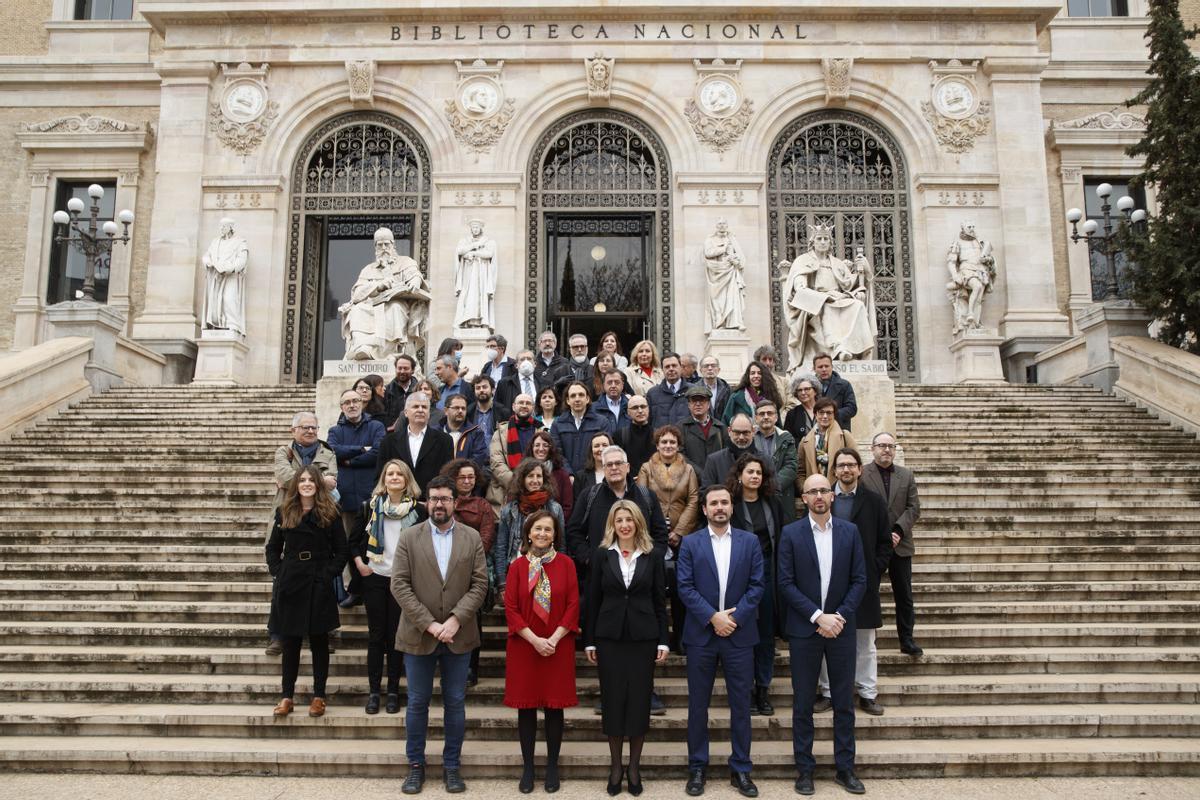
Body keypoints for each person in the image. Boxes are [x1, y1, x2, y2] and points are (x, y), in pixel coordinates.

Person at [390, 476, 489, 795]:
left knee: (455, 703)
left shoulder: (471, 537)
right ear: (426, 502)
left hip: (459, 636)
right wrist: (430, 624)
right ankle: (415, 765)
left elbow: (479, 585)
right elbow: (399, 585)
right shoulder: (409, 536)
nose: (439, 504)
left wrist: (456, 620)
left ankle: (451, 766)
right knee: (417, 703)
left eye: (445, 499)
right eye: (434, 499)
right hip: (419, 635)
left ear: (454, 502)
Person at [778, 474, 867, 797]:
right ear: (803, 498)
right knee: (803, 702)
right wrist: (818, 616)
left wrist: (838, 616)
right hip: (805, 628)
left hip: (841, 628)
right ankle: (805, 770)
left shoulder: (850, 532)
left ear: (832, 496)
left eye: (823, 491)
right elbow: (785, 583)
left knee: (844, 701)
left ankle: (846, 768)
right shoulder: (791, 534)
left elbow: (860, 579)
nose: (818, 496)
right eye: (812, 491)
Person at [677, 485, 765, 798]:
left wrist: (734, 618)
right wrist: (713, 617)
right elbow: (684, 587)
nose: (719, 508)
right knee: (698, 705)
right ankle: (697, 767)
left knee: (741, 705)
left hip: (739, 636)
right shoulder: (690, 543)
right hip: (701, 635)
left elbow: (757, 586)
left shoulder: (750, 541)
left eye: (724, 502)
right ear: (704, 509)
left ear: (732, 507)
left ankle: (741, 768)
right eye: (713, 503)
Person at [584, 501, 669, 797]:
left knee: (638, 703)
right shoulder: (601, 555)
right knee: (613, 701)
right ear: (613, 524)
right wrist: (590, 640)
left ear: (638, 523)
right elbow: (592, 600)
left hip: (643, 639)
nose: (624, 525)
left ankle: (634, 766)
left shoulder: (653, 555)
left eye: (629, 519)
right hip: (609, 639)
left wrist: (663, 639)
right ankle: (615, 766)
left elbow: (660, 601)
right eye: (619, 520)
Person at [504, 510, 580, 794]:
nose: (543, 534)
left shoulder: (567, 564)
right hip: (525, 646)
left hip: (558, 646)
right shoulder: (517, 567)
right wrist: (535, 640)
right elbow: (510, 608)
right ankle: (528, 767)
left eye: (548, 530)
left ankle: (551, 765)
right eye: (538, 529)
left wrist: (555, 637)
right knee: (526, 708)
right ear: (528, 533)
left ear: (555, 535)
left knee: (554, 708)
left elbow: (573, 604)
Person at [266, 465, 348, 719]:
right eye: (302, 480)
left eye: (311, 480)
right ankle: (287, 696)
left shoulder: (331, 512)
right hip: (291, 581)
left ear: (318, 484)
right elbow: (272, 547)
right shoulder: (285, 511)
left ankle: (319, 696)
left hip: (318, 581)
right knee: (290, 643)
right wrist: (279, 572)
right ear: (296, 484)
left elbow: (342, 550)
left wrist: (327, 574)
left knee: (319, 643)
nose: (306, 484)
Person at [815, 448, 892, 717]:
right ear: (833, 470)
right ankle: (827, 691)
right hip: (828, 581)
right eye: (841, 465)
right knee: (826, 637)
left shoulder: (874, 501)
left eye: (851, 465)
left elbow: (885, 541)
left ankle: (868, 693)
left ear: (860, 469)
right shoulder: (823, 499)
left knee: (865, 643)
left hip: (864, 583)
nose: (846, 470)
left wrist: (874, 568)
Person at [351, 459, 424, 715]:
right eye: (390, 473)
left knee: (395, 637)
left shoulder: (419, 511)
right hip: (375, 577)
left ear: (406, 479)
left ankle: (393, 690)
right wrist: (361, 564)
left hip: (402, 581)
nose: (394, 477)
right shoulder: (370, 507)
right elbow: (353, 541)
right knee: (376, 635)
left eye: (399, 474)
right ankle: (374, 692)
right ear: (384, 478)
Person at [268, 412, 338, 656]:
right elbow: (283, 475)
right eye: (305, 427)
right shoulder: (283, 452)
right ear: (293, 430)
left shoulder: (328, 452)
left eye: (314, 428)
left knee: (323, 582)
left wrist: (295, 481)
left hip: (319, 516)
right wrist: (318, 480)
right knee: (282, 585)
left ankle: (324, 631)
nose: (310, 431)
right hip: (288, 514)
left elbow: (333, 480)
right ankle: (277, 634)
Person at [727, 452, 786, 717]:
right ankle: (745, 690)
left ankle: (762, 689)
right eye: (750, 472)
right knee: (741, 634)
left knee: (765, 635)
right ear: (739, 475)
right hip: (738, 575)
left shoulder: (772, 503)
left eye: (758, 473)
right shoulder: (730, 505)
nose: (754, 476)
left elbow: (783, 537)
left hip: (768, 572)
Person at [635, 424, 699, 652]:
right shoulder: (646, 468)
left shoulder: (689, 470)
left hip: (683, 535)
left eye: (672, 442)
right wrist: (661, 531)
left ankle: (682, 636)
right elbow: (641, 500)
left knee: (683, 588)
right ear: (657, 444)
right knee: (654, 588)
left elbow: (693, 500)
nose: (668, 446)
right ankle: (657, 637)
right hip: (654, 535)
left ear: (678, 444)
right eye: (664, 442)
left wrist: (679, 531)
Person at [859, 432, 923, 656]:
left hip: (900, 544)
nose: (886, 450)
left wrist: (897, 530)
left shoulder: (906, 475)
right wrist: (883, 534)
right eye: (882, 446)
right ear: (872, 448)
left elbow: (914, 508)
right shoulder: (862, 474)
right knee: (869, 593)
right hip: (873, 545)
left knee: (904, 595)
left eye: (890, 446)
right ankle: (868, 642)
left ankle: (907, 639)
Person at [440, 458, 498, 687]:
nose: (467, 481)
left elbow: (485, 538)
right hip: (445, 570)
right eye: (462, 477)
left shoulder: (483, 505)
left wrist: (466, 559)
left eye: (471, 477)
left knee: (473, 621)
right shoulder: (445, 503)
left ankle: (471, 669)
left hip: (473, 570)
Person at [328, 389, 386, 608]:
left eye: (355, 401)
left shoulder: (376, 427)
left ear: (362, 403)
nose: (352, 405)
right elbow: (334, 451)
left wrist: (350, 460)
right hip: (346, 499)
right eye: (346, 402)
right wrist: (362, 449)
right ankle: (354, 589)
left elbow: (378, 452)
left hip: (371, 495)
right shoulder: (335, 430)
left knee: (373, 545)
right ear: (342, 407)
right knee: (349, 545)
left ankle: (373, 586)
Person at [375, 392, 454, 498]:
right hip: (397, 503)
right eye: (416, 406)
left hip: (430, 503)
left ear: (429, 413)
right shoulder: (389, 441)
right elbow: (381, 475)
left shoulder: (444, 440)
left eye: (424, 407)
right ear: (406, 412)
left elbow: (447, 475)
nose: (420, 410)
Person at [497, 458, 567, 573]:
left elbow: (561, 544)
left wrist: (560, 572)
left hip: (548, 569)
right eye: (530, 476)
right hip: (517, 570)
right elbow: (501, 547)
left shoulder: (555, 509)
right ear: (522, 479)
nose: (535, 480)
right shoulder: (509, 510)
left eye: (539, 476)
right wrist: (502, 583)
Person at [488, 393, 538, 505]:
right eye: (521, 402)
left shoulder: (540, 431)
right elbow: (497, 463)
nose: (524, 405)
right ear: (513, 406)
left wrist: (531, 482)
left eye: (528, 403)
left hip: (535, 490)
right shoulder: (500, 433)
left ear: (533, 408)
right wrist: (518, 483)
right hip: (505, 493)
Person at [550, 381, 609, 477]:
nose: (577, 399)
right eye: (573, 396)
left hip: (594, 477)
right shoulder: (557, 424)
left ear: (587, 399)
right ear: (568, 401)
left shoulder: (602, 422)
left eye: (581, 395)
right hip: (567, 478)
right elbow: (556, 453)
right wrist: (569, 474)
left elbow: (604, 451)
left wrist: (589, 475)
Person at [754, 398, 799, 523]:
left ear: (776, 417)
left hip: (782, 494)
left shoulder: (786, 437)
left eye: (770, 413)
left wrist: (774, 485)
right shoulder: (749, 438)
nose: (766, 417)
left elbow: (791, 466)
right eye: (762, 414)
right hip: (756, 493)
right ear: (756, 418)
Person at [799, 399, 856, 483]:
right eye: (821, 412)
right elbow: (800, 471)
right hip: (815, 491)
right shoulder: (805, 441)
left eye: (829, 413)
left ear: (834, 415)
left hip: (839, 490)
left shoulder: (845, 436)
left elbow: (856, 465)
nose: (825, 416)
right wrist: (804, 489)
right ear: (815, 414)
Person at [526, 430, 575, 523]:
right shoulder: (522, 473)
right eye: (537, 445)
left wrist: (553, 524)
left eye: (545, 445)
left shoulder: (562, 475)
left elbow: (567, 507)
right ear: (531, 448)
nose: (541, 449)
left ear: (551, 449)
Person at [702, 413, 761, 487]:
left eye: (745, 433)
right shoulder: (714, 461)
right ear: (729, 431)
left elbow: (774, 492)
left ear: (753, 431)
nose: (741, 437)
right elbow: (705, 492)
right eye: (737, 433)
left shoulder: (764, 460)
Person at [680, 385, 727, 473]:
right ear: (689, 405)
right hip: (692, 478)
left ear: (708, 404)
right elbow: (680, 455)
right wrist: (700, 473)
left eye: (702, 400)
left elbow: (726, 455)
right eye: (694, 400)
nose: (698, 404)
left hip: (716, 479)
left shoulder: (720, 428)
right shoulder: (680, 427)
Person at [722, 360, 784, 426]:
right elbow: (726, 421)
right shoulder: (736, 397)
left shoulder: (771, 396)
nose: (756, 376)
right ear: (748, 376)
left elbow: (778, 424)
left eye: (759, 373)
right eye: (752, 373)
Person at [440, 394, 489, 470]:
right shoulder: (436, 431)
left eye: (463, 408)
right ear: (446, 411)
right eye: (456, 408)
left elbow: (478, 460)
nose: (460, 411)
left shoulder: (476, 432)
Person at [813, 354, 858, 432]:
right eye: (820, 367)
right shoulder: (809, 386)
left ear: (832, 367)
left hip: (839, 431)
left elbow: (852, 408)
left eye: (827, 366)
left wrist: (831, 414)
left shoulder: (845, 385)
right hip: (815, 431)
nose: (824, 369)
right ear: (814, 369)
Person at [613, 395, 655, 477]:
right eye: (635, 408)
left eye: (643, 407)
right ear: (628, 412)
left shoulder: (658, 434)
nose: (640, 411)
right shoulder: (620, 435)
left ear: (648, 409)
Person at [645, 352, 690, 426]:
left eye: (674, 365)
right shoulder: (652, 393)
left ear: (681, 367)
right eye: (667, 366)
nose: (671, 369)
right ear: (662, 370)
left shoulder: (693, 390)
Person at [571, 431, 614, 507]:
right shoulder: (580, 477)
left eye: (605, 445)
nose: (601, 449)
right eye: (596, 446)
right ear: (591, 450)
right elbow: (578, 506)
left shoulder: (618, 472)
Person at [753, 345, 798, 413]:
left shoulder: (784, 382)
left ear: (774, 362)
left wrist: (779, 419)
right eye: (764, 359)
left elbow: (792, 404)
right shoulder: (751, 382)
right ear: (758, 362)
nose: (767, 363)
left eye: (770, 359)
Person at [382, 354, 420, 432]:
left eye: (406, 368)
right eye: (399, 368)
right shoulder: (386, 390)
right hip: (393, 435)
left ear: (412, 370)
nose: (402, 371)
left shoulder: (420, 391)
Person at [468, 373, 509, 445]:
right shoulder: (468, 412)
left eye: (484, 387)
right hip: (474, 454)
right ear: (474, 392)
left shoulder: (503, 412)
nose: (481, 390)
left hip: (496, 453)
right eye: (478, 388)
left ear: (493, 390)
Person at [592, 366, 630, 432]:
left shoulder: (630, 406)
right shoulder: (593, 408)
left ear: (622, 385)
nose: (613, 386)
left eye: (617, 382)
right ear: (603, 385)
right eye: (609, 382)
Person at [783, 375, 819, 444]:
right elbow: (788, 439)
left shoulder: (826, 409)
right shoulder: (792, 414)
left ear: (815, 391)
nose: (803, 393)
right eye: (799, 390)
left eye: (807, 389)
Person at [696, 356, 732, 421]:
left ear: (718, 369)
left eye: (713, 365)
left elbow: (730, 411)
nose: (710, 368)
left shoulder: (727, 388)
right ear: (701, 370)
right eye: (706, 366)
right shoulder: (695, 389)